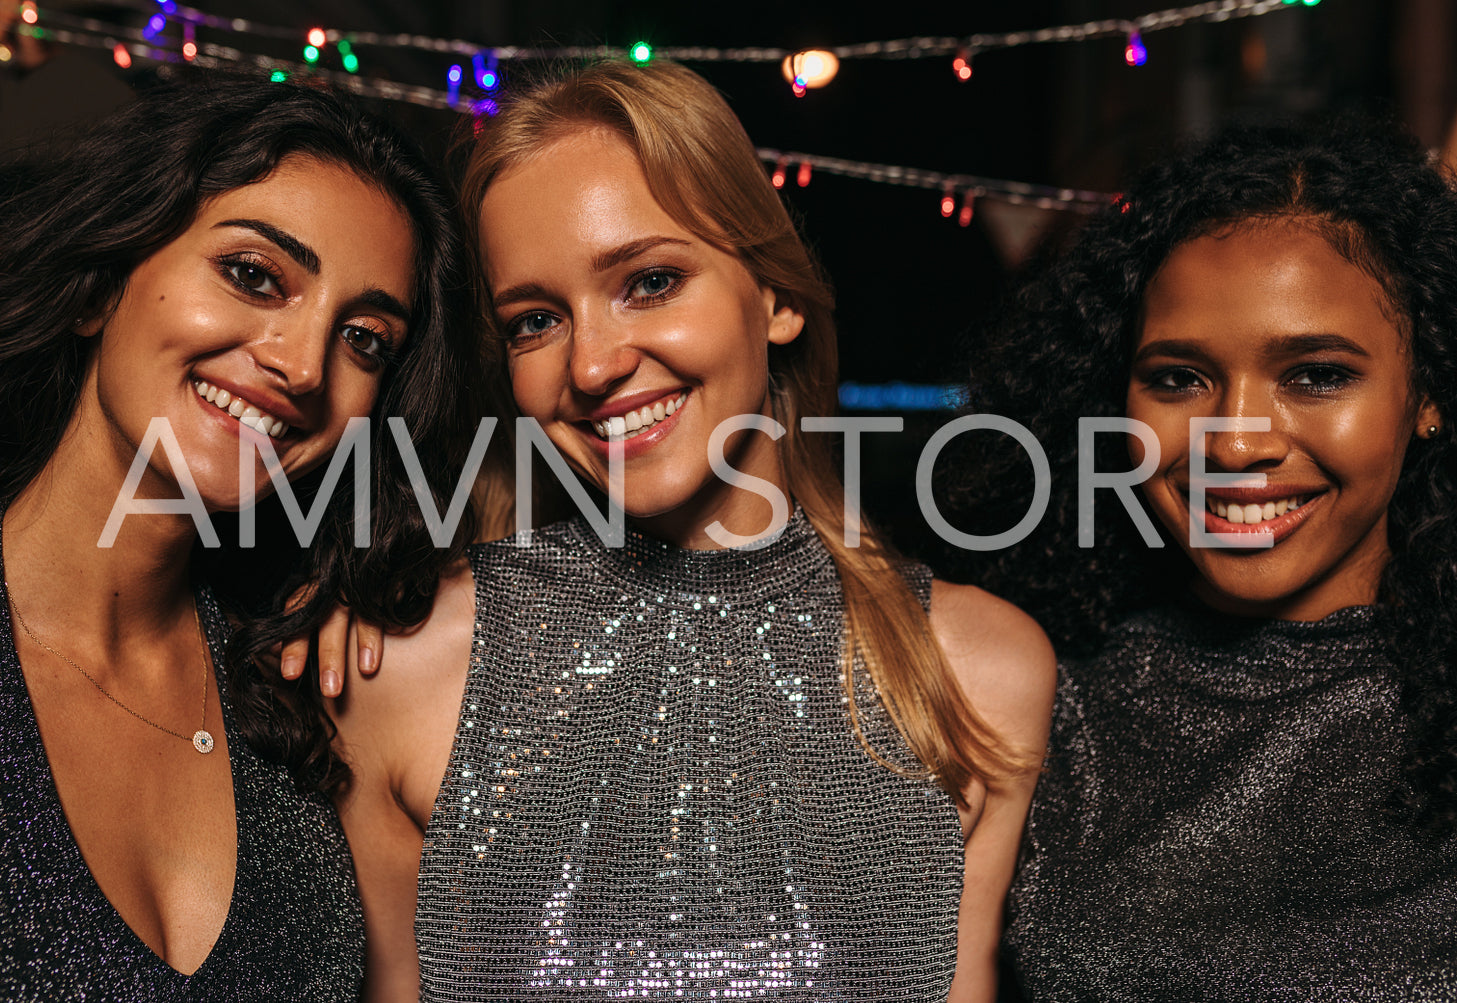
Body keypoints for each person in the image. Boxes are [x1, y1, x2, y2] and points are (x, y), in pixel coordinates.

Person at [289, 59, 1055, 1002]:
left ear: (774, 297)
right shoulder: (400, 666)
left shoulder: (978, 673)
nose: (595, 362)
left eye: (649, 281)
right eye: (534, 320)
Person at [0, 72, 474, 999]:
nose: (303, 364)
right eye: (253, 275)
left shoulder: (303, 692)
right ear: (100, 286)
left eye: (364, 340)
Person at [949, 120, 1457, 999]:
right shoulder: (1039, 711)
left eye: (1316, 374)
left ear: (1426, 395)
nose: (1236, 442)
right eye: (1179, 379)